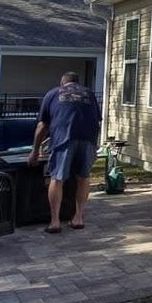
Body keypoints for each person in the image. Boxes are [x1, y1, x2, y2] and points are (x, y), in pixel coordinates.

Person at [31, 72, 103, 231]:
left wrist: (35, 151)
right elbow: (96, 121)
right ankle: (78, 218)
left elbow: (43, 126)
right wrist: (94, 147)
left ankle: (55, 221)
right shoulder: (89, 94)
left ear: (62, 82)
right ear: (77, 83)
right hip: (88, 138)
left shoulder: (53, 93)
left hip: (63, 138)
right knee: (83, 178)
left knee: (57, 178)